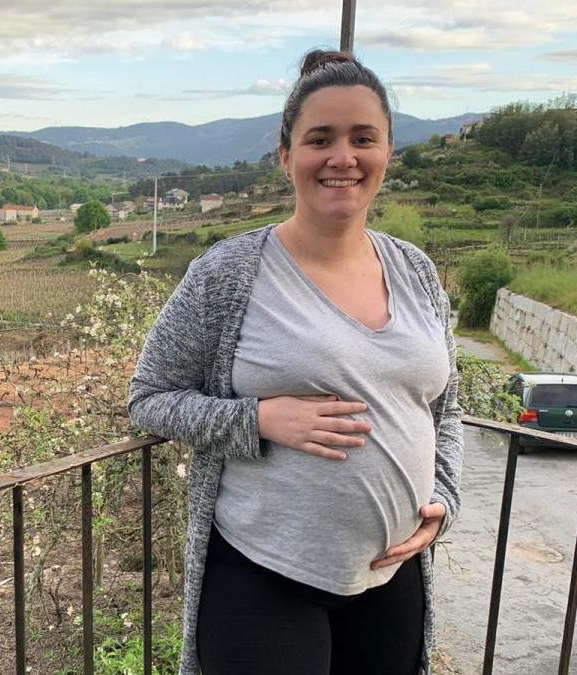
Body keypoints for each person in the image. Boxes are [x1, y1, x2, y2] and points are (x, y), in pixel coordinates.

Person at [128, 50, 463, 675]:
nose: (344, 157)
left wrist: (445, 493)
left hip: (390, 576)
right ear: (286, 156)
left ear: (388, 152)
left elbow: (444, 407)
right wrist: (258, 418)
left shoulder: (415, 271)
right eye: (321, 139)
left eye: (364, 138)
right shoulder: (227, 274)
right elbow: (148, 397)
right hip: (264, 577)